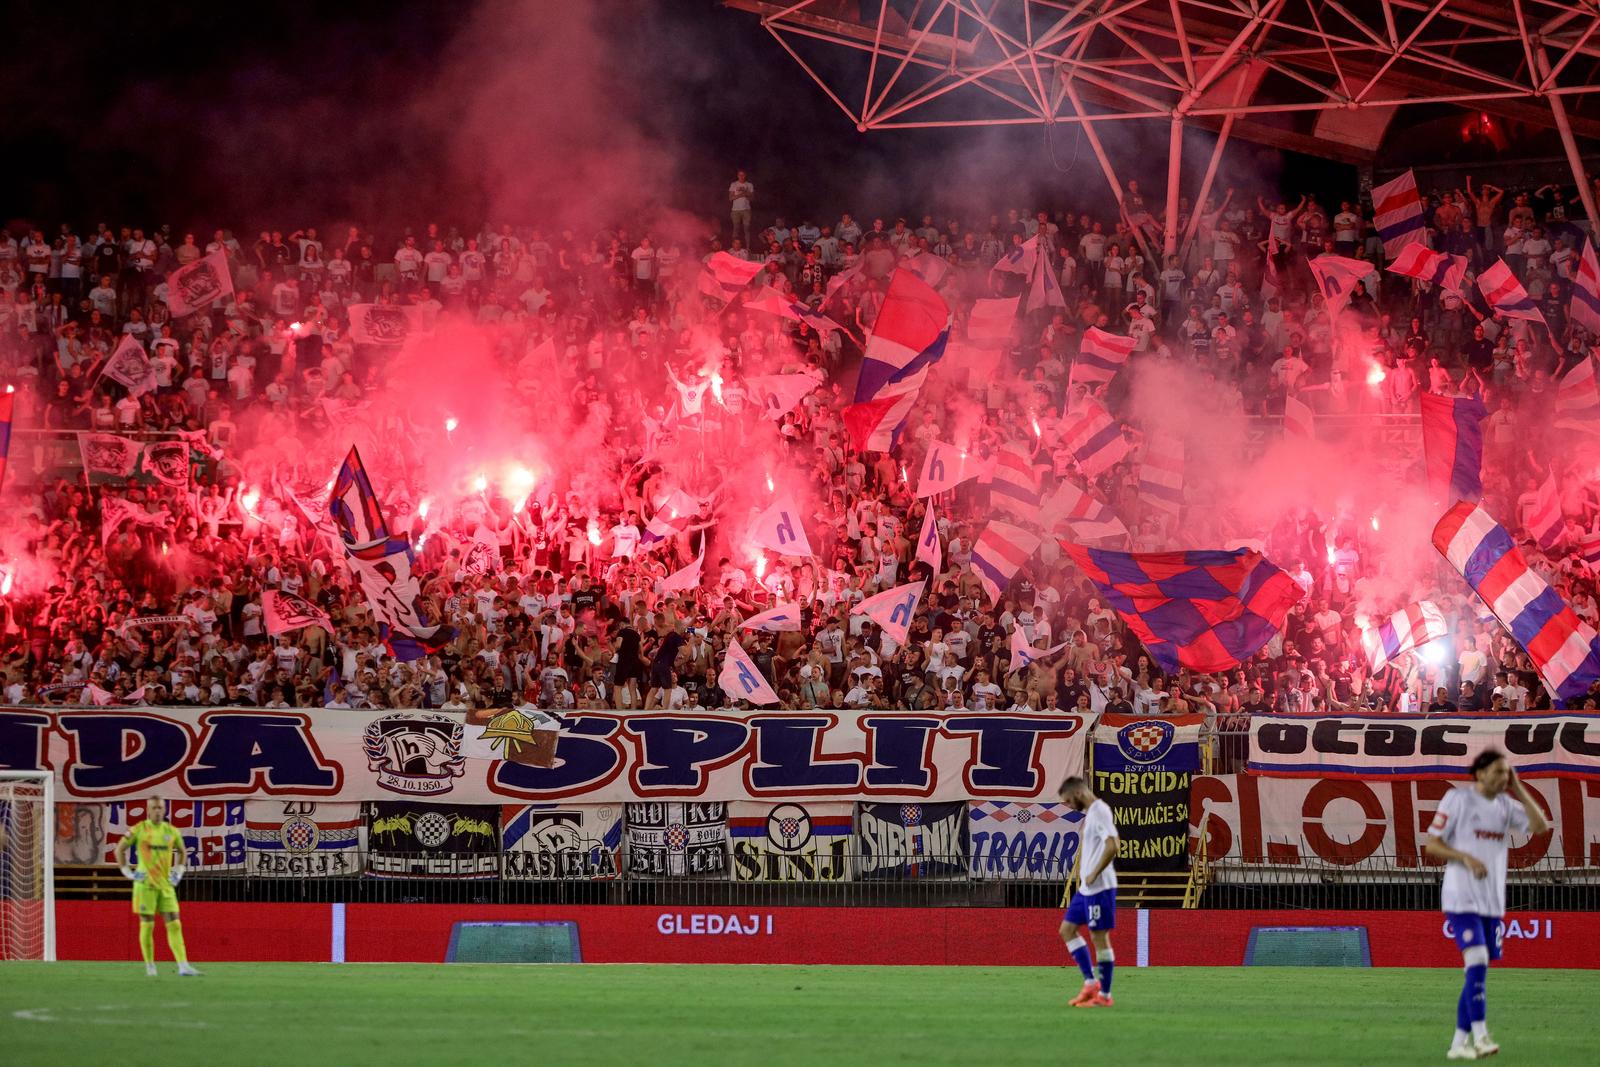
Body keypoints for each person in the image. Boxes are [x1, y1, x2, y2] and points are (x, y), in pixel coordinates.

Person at [1424, 749, 1549, 1060]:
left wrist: (1519, 788)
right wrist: (1465, 856)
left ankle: (1457, 1045)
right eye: (1497, 772)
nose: (1502, 778)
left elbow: (1540, 826)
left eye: (1506, 773)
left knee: (1475, 972)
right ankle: (1481, 1037)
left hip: (1492, 902)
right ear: (1479, 773)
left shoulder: (1506, 805)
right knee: (1477, 961)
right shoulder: (1458, 800)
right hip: (1461, 896)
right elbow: (1432, 843)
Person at [113, 795, 202, 977]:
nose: (157, 811)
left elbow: (183, 852)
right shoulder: (140, 829)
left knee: (175, 923)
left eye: (160, 808)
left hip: (165, 885)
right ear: (148, 810)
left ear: (165, 809)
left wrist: (178, 872)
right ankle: (150, 966)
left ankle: (183, 965)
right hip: (145, 885)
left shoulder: (171, 831)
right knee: (147, 925)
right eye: (154, 808)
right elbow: (119, 849)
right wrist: (127, 872)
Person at [1057, 775, 1119, 1008]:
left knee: (1099, 937)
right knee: (1067, 930)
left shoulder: (1101, 810)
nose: (1070, 806)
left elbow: (1114, 845)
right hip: (1086, 889)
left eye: (1069, 801)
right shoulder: (1091, 813)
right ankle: (1090, 983)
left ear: (1079, 793)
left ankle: (1104, 995)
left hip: (1099, 887)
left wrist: (1094, 873)